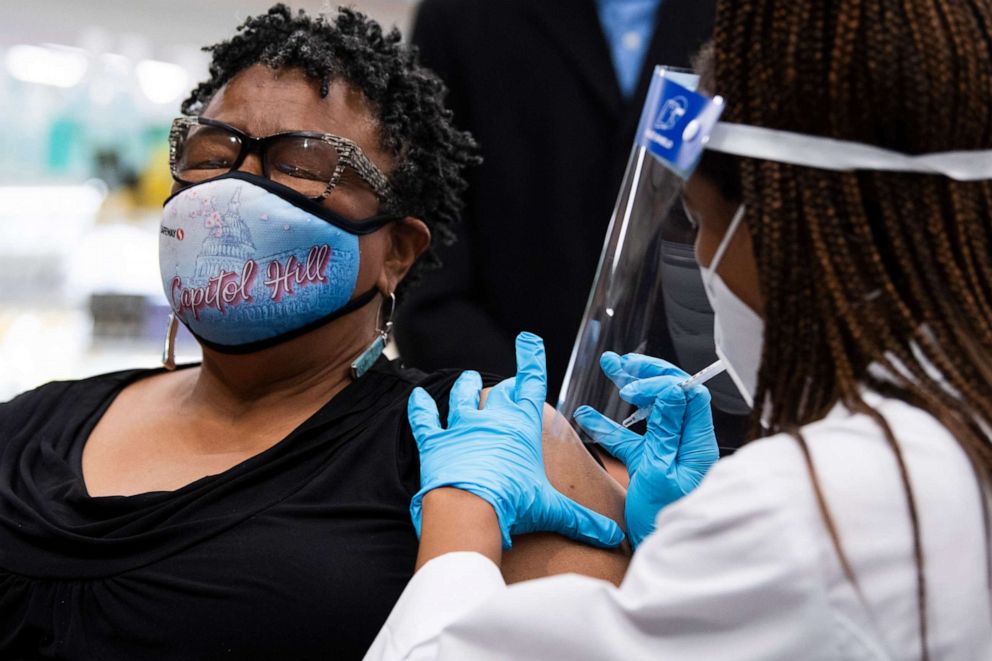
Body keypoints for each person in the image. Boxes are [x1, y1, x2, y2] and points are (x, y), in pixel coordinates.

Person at [365, 0, 992, 658]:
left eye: (695, 221)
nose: (696, 256)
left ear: (776, 225)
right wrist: (684, 530)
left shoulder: (809, 511)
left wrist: (459, 527)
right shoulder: (951, 423)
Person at [0, 6, 629, 659]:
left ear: (397, 252)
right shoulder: (30, 424)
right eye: (213, 152)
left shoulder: (484, 451)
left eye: (301, 164)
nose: (236, 188)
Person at [395, 0, 717, 399]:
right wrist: (529, 412)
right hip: (507, 408)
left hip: (705, 408)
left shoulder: (760, 19)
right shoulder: (461, 15)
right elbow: (429, 273)